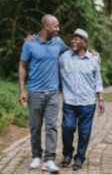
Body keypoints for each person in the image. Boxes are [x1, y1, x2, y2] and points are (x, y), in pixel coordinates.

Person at [18, 14, 68, 173]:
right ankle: (36, 157)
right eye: (55, 26)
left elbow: (72, 52)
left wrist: (91, 52)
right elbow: (22, 66)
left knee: (52, 126)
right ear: (46, 27)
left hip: (53, 92)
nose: (58, 29)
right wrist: (21, 90)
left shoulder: (58, 42)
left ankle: (49, 159)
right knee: (35, 127)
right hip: (34, 92)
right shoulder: (29, 44)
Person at [59, 28, 105, 171]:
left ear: (84, 43)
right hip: (70, 102)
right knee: (67, 128)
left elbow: (98, 80)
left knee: (84, 133)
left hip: (87, 103)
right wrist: (33, 40)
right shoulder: (63, 57)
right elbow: (46, 53)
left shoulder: (93, 59)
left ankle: (79, 158)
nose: (73, 40)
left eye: (77, 39)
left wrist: (101, 99)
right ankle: (67, 154)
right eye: (72, 38)